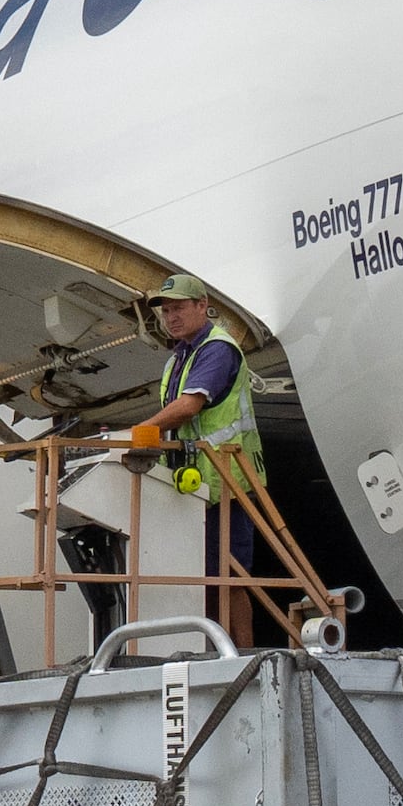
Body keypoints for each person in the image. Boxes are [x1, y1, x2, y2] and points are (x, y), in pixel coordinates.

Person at [95, 271, 271, 637]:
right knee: (206, 575)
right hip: (197, 484)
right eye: (165, 311)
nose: (170, 317)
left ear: (203, 307)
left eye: (178, 308)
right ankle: (216, 650)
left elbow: (189, 407)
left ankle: (242, 654)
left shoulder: (217, 350)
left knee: (230, 576)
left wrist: (137, 433)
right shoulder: (179, 359)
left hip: (227, 480)